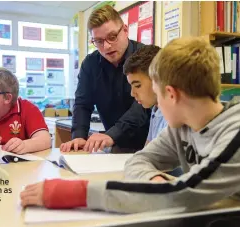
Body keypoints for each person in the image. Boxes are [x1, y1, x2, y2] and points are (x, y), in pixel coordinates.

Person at [21, 37, 240, 214]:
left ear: (171, 94)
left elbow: (182, 194)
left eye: (157, 91)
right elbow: (139, 159)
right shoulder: (181, 127)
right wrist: (153, 180)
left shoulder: (234, 133)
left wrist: (75, 193)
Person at [60, 5, 151, 153]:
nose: (107, 46)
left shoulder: (146, 57)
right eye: (99, 41)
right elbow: (83, 103)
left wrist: (112, 134)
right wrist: (79, 135)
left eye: (112, 37)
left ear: (125, 30)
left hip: (150, 143)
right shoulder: (90, 64)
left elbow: (143, 107)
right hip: (116, 144)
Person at [123, 45, 168, 145]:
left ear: (157, 80)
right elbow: (147, 151)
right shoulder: (156, 110)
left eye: (138, 86)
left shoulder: (172, 116)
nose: (132, 93)